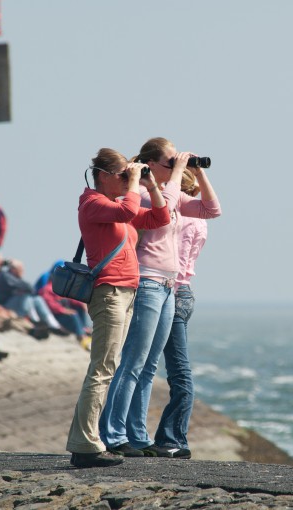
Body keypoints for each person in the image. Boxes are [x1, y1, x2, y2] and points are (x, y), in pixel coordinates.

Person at [99, 137, 221, 459]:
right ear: (151, 164)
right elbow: (160, 210)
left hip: (169, 287)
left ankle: (138, 436)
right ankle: (113, 434)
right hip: (147, 283)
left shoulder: (173, 194)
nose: (174, 167)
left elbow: (212, 209)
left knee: (149, 367)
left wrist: (198, 171)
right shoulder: (139, 193)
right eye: (169, 162)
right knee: (133, 362)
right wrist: (178, 171)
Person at [65, 148, 170, 468]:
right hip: (109, 293)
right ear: (103, 176)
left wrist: (150, 186)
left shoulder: (117, 204)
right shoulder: (93, 203)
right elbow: (127, 214)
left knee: (105, 368)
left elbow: (160, 218)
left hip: (127, 292)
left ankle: (82, 441)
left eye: (129, 175)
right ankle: (86, 446)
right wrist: (136, 181)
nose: (128, 181)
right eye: (123, 176)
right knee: (102, 369)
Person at [153, 170, 208, 458]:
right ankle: (170, 436)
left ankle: (172, 437)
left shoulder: (178, 216)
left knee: (173, 370)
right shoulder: (199, 219)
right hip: (186, 291)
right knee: (176, 368)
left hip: (170, 291)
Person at [0, 259, 66, 338]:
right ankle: (36, 321)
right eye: (21, 269)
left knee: (37, 299)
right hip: (3, 305)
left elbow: (31, 289)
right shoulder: (6, 276)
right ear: (14, 269)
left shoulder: (12, 277)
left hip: (13, 304)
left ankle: (54, 325)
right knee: (27, 297)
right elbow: (29, 287)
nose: (23, 271)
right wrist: (20, 278)